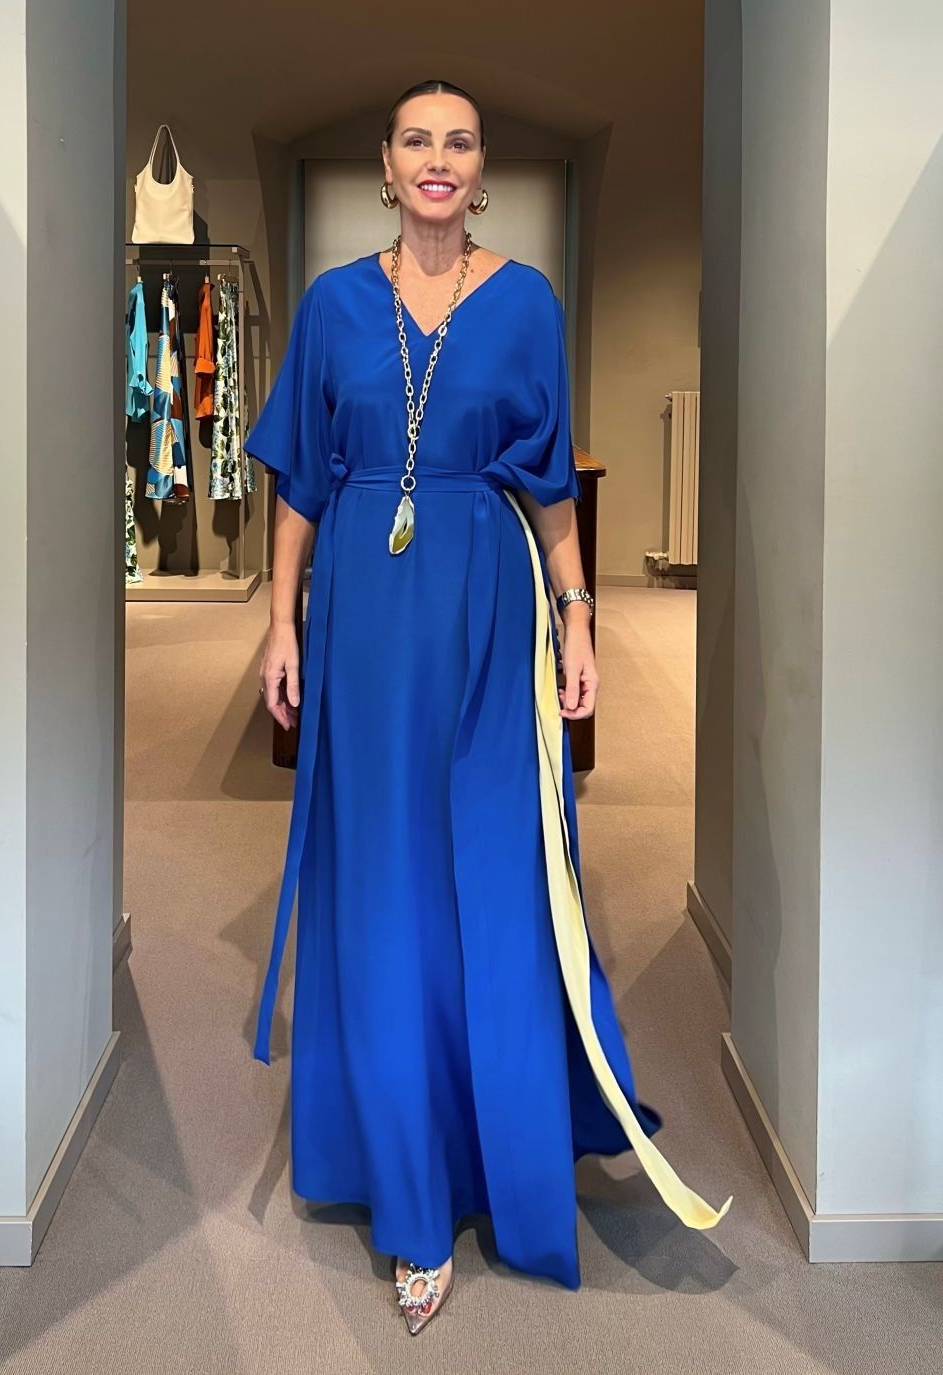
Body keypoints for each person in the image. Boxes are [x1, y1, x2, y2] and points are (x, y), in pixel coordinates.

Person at [243, 78, 732, 1335]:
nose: (436, 159)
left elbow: (549, 483)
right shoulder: (332, 303)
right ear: (385, 165)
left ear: (479, 171)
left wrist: (579, 618)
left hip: (485, 614)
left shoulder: (525, 304)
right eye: (416, 140)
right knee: (383, 882)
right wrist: (281, 620)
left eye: (458, 142)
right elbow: (299, 482)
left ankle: (502, 1152)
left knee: (497, 872)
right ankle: (409, 1195)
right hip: (362, 620)